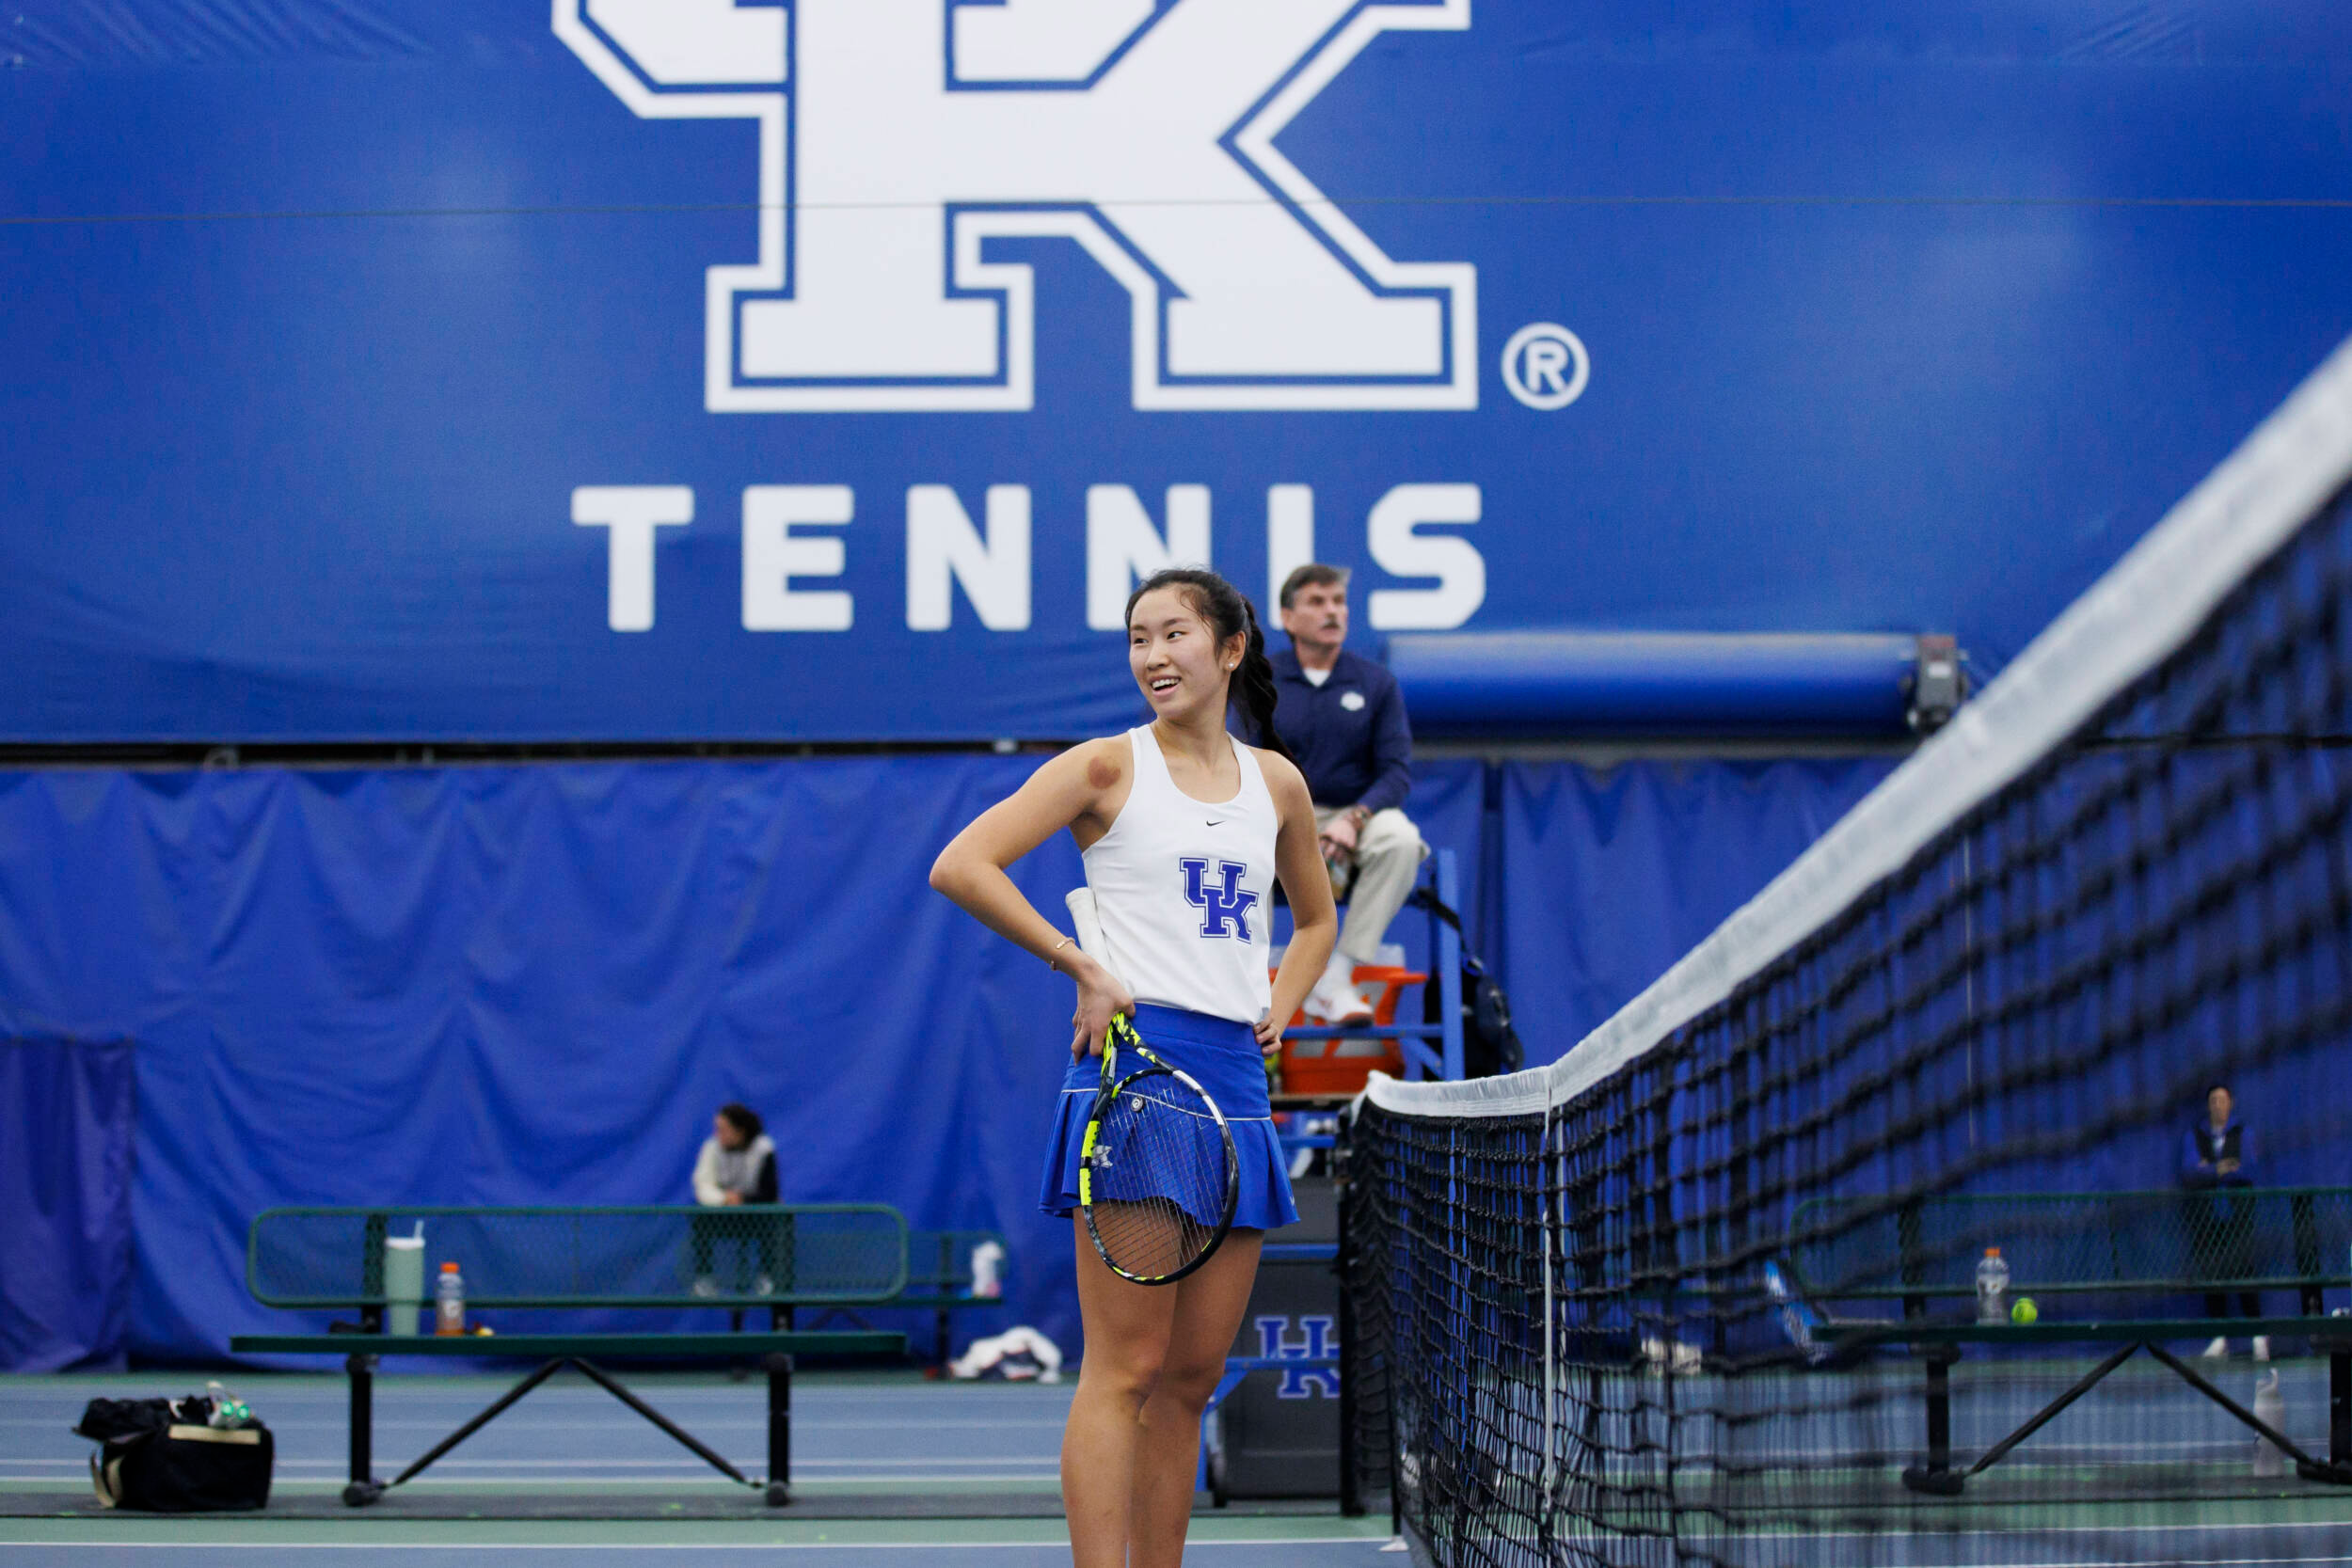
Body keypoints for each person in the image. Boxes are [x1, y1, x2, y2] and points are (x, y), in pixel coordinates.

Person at [929, 566, 1337, 1568]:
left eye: (1173, 634)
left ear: (1231, 647)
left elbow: (1318, 918)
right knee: (1125, 1367)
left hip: (1237, 1090)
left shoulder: (1276, 781)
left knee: (1193, 1375)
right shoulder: (1105, 768)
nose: (1153, 655)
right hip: (1140, 1084)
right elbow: (962, 863)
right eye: (1136, 638)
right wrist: (1079, 964)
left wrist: (1275, 1013)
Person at [1267, 563, 1423, 1024]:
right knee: (1227, 840)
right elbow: (1241, 760)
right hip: (1276, 820)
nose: (1332, 611)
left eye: (1338, 601)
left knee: (1401, 840)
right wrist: (1293, 826)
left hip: (1351, 820)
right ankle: (1249, 989)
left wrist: (1353, 819)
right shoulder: (1260, 680)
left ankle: (1336, 977)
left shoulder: (1376, 684)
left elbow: (1396, 773)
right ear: (1288, 617)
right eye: (1317, 602)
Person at [2180, 1084, 2265, 1360]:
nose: (2218, 1105)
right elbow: (2190, 1172)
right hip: (2208, 1220)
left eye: (2222, 1100)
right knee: (2213, 1277)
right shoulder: (2194, 1135)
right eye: (2213, 1101)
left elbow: (2248, 1169)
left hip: (2238, 1218)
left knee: (2244, 1275)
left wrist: (2211, 1171)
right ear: (2208, 1106)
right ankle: (2220, 1339)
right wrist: (2220, 1168)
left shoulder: (2244, 1134)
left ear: (2231, 1103)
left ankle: (2258, 1337)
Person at [690, 1103, 779, 1295]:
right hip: (722, 1216)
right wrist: (724, 1199)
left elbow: (770, 1192)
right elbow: (702, 1185)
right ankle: (704, 1278)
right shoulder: (711, 1148)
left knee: (773, 1217)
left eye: (723, 1129)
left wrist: (743, 1199)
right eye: (717, 1129)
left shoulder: (764, 1148)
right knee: (700, 1216)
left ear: (740, 1131)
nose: (718, 1134)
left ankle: (767, 1277)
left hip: (754, 1216)